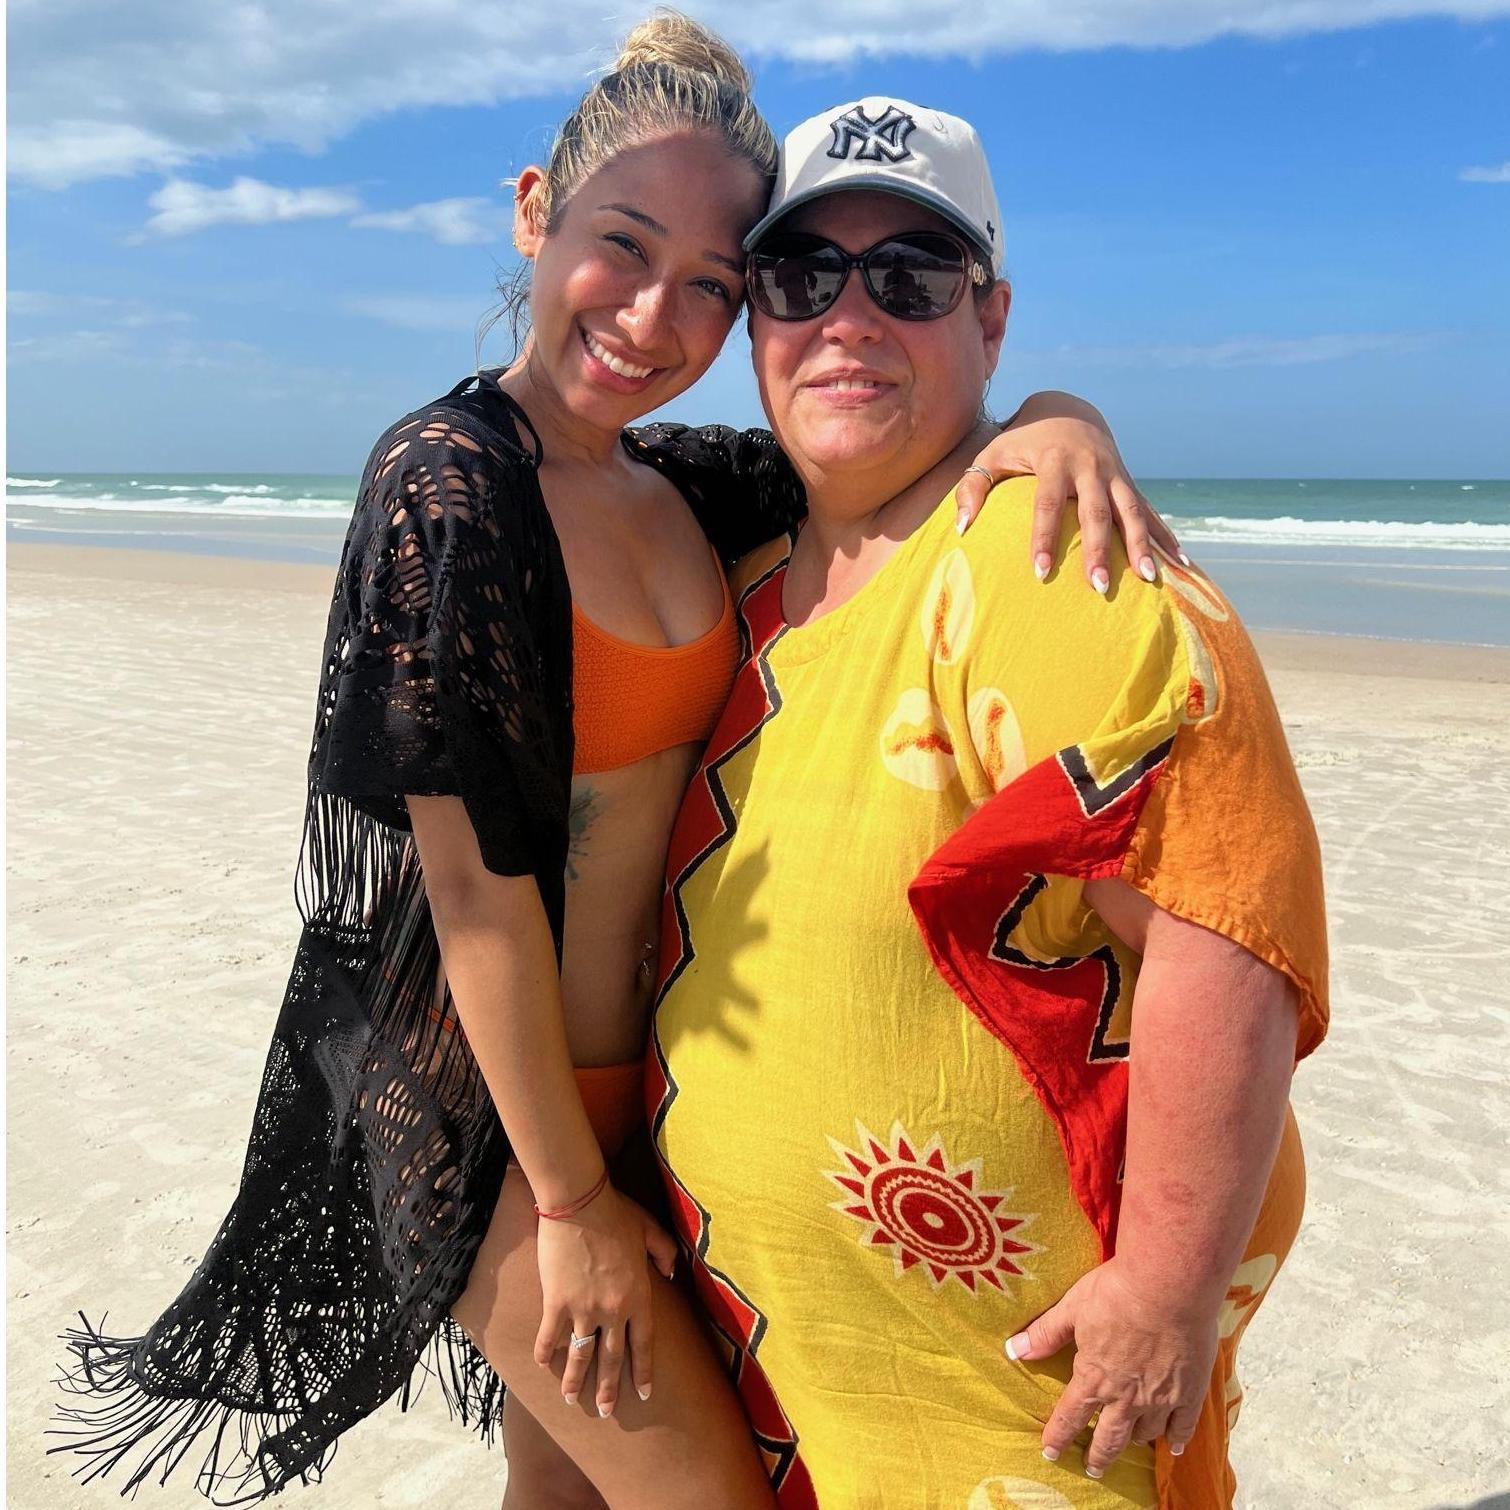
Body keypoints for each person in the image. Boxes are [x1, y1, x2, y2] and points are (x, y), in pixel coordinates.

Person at [52, 19, 1179, 1509]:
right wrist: (571, 1200)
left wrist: (1059, 416)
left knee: (568, 1487)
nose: (656, 317)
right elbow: (470, 896)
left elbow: (906, 447)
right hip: (485, 1120)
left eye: (714, 285)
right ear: (535, 214)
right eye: (622, 248)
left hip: (641, 1093)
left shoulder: (689, 486)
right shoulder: (448, 488)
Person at [648, 97, 1328, 1508]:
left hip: (1010, 1409)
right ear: (752, 318)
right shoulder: (742, 564)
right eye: (798, 276)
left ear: (991, 320)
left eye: (908, 275)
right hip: (799, 1381)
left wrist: (1160, 1287)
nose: (847, 316)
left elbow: (1217, 916)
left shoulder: (1039, 562)